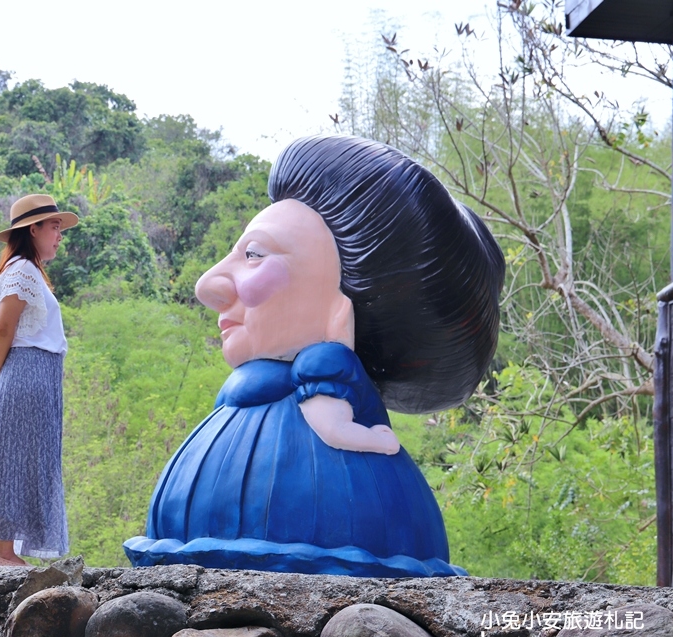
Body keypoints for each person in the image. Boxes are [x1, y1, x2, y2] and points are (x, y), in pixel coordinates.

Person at [124, 135, 505, 576]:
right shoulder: (250, 396)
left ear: (338, 309)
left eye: (254, 255)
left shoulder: (322, 374)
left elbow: (332, 426)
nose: (208, 284)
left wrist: (377, 439)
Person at [0, 193, 78, 568]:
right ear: (33, 228)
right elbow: (4, 326)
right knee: (15, 459)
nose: (59, 234)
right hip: (27, 371)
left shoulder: (29, 271)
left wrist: (0, 373)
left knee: (5, 456)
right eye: (54, 226)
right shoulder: (23, 270)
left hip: (34, 373)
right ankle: (2, 553)